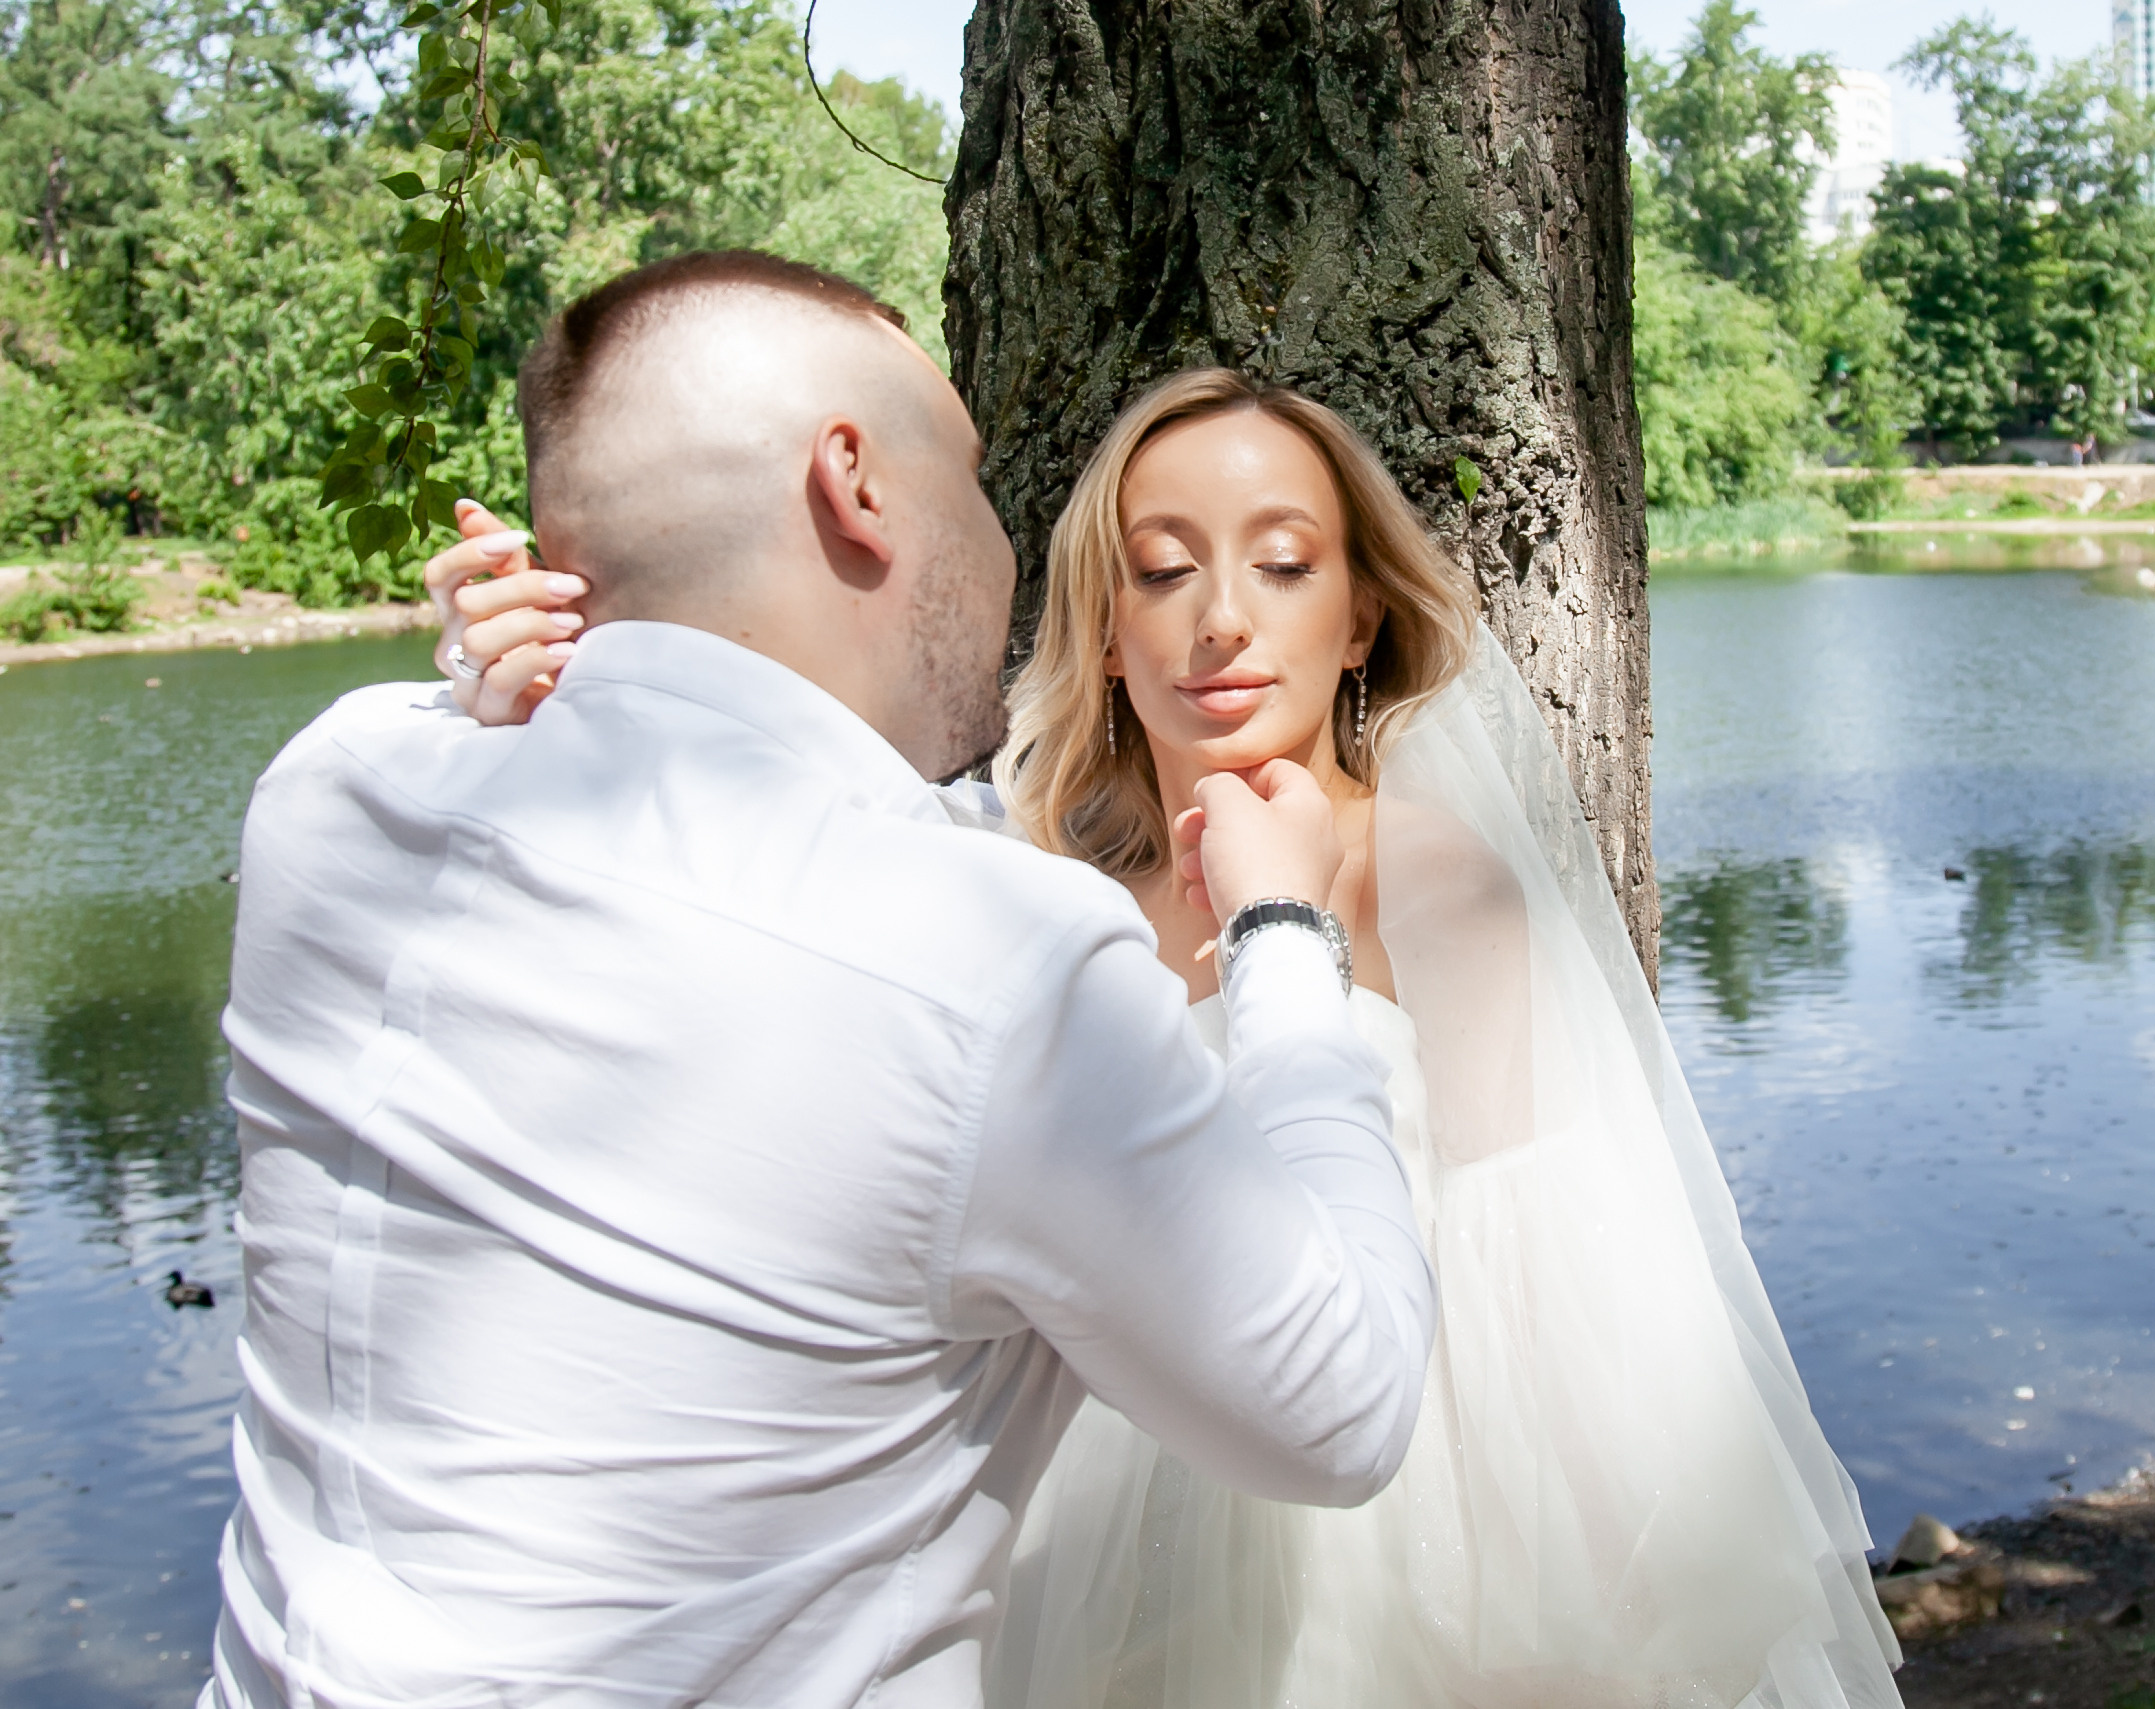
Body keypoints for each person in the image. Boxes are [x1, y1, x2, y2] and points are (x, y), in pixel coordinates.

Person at [439, 362, 1905, 1708]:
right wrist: (555, 725)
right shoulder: (1011, 884)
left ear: (1359, 621)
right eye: (1162, 569)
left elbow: (1553, 1319)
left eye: (1282, 564)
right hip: (1057, 1563)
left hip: (1386, 1570)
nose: (1220, 617)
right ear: (1106, 626)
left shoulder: (1433, 878)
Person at [205, 251, 1438, 1709]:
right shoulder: (1000, 967)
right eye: (976, 478)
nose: (1010, 549)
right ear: (854, 484)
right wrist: (1286, 937)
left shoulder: (330, 790)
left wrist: (499, 721)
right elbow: (1341, 1410)